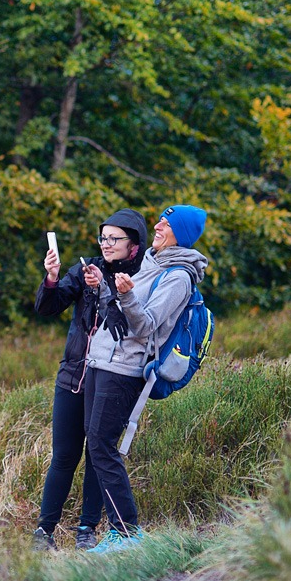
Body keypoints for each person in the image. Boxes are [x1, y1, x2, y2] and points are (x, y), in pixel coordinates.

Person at [80, 203, 209, 554]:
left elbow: (146, 324)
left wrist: (124, 294)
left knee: (103, 446)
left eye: (165, 223)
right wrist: (107, 290)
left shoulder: (179, 277)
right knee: (97, 444)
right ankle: (119, 530)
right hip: (102, 361)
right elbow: (124, 310)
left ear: (179, 232)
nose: (157, 226)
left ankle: (126, 531)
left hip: (124, 369)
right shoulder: (152, 262)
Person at [32, 209, 147, 552]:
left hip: (111, 379)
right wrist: (52, 277)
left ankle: (87, 528)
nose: (107, 244)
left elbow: (133, 324)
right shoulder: (86, 269)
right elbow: (47, 307)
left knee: (99, 453)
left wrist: (107, 290)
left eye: (115, 238)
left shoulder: (142, 277)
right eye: (103, 237)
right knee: (64, 455)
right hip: (72, 375)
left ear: (134, 246)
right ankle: (44, 532)